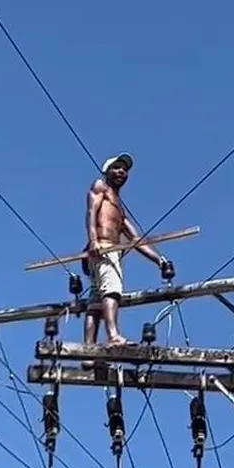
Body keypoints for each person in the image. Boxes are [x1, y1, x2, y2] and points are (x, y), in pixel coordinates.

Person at [82, 153, 172, 358]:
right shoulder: (100, 187)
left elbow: (137, 240)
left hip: (108, 251)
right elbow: (90, 213)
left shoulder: (119, 209)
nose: (122, 171)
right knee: (112, 290)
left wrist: (159, 260)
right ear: (107, 171)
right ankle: (113, 336)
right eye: (117, 167)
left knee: (96, 301)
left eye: (125, 169)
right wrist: (94, 241)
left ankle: (89, 351)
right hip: (103, 248)